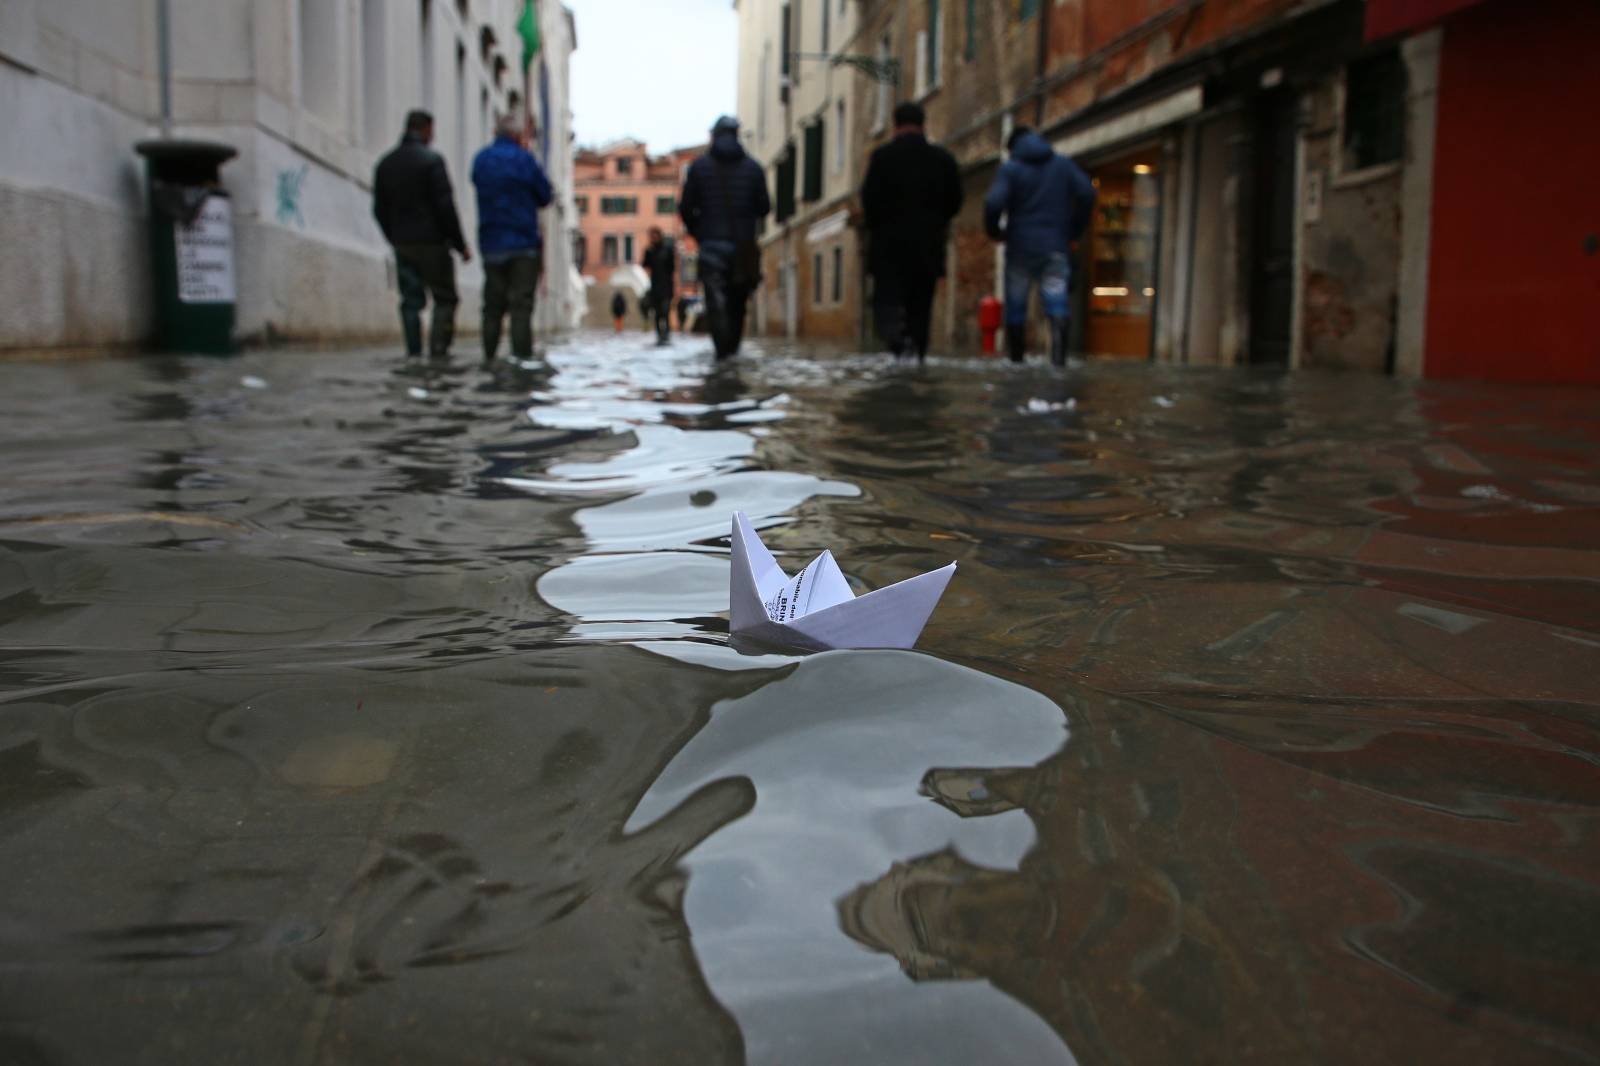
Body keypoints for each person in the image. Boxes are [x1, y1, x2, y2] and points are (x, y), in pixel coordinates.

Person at [982, 125, 1096, 366]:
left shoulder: (1011, 169)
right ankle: (1058, 360)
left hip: (1020, 248)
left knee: (1016, 306)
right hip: (1056, 246)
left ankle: (1016, 361)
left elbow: (993, 203)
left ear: (1012, 148)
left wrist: (995, 232)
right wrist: (1073, 231)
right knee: (1057, 302)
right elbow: (1087, 192)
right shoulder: (1062, 165)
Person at [860, 101, 963, 362]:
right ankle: (917, 352)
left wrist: (878, 227)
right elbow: (955, 201)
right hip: (927, 246)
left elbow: (869, 201)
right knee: (921, 304)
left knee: (888, 301)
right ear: (923, 124)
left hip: (889, 248)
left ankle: (897, 342)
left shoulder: (882, 158)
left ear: (894, 126)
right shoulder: (943, 160)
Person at [373, 109, 471, 359]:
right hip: (433, 243)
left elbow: (379, 209)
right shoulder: (432, 161)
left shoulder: (386, 163)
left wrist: (393, 236)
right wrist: (460, 245)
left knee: (410, 300)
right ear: (426, 129)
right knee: (445, 298)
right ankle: (438, 352)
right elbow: (445, 207)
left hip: (403, 243)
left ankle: (413, 351)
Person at [679, 116, 771, 358]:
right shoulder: (753, 168)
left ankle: (722, 353)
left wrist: (699, 233)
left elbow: (686, 208)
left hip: (710, 245)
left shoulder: (698, 167)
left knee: (716, 300)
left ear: (714, 135)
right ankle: (732, 351)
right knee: (737, 303)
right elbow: (764, 208)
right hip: (742, 247)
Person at [471, 112, 553, 363]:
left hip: (492, 242)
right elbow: (546, 196)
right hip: (523, 243)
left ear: (496, 133)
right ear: (518, 136)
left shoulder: (482, 160)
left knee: (492, 306)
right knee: (521, 307)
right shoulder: (525, 160)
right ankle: (521, 360)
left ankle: (489, 358)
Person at [640, 227, 676, 344]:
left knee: (665, 311)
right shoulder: (649, 251)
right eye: (652, 236)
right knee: (657, 313)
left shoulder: (668, 250)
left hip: (666, 286)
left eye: (655, 235)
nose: (654, 238)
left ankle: (666, 334)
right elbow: (645, 265)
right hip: (655, 287)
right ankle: (659, 335)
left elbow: (672, 268)